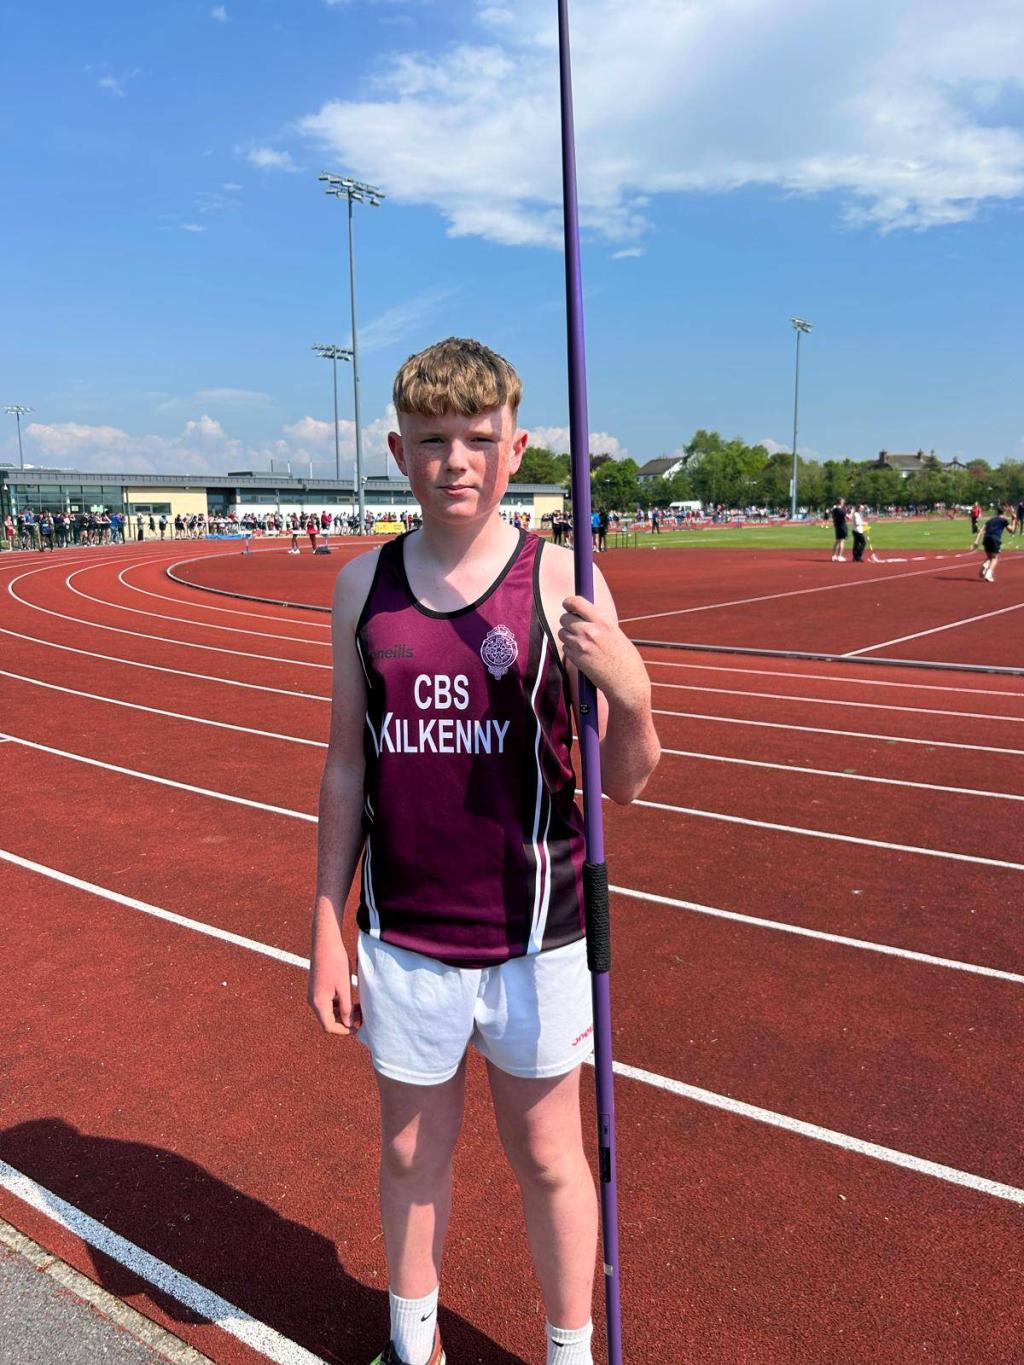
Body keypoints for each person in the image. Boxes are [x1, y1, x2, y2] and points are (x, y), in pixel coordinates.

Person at [308, 338, 660, 1365]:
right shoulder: (362, 587)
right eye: (430, 441)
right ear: (396, 451)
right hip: (406, 935)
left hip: (537, 935)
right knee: (409, 1151)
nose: (454, 460)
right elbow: (345, 766)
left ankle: (568, 1350)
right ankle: (411, 1344)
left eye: (476, 438)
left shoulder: (561, 580)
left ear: (516, 447)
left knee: (549, 1157)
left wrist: (633, 692)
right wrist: (325, 925)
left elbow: (627, 780)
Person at [974, 503, 1017, 582]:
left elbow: (981, 530)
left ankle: (985, 565)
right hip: (995, 538)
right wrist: (1013, 520)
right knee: (994, 558)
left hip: (986, 538)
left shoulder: (990, 520)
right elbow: (1011, 530)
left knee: (989, 556)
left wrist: (976, 541)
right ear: (1004, 512)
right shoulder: (1003, 520)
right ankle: (988, 574)